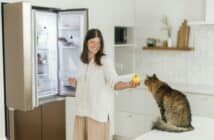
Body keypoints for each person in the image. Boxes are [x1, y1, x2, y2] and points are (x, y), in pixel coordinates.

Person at [68, 28, 140, 140]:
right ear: (86, 42)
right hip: (81, 111)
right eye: (92, 41)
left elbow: (114, 82)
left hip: (97, 114)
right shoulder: (82, 61)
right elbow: (87, 83)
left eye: (98, 42)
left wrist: (128, 84)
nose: (95, 45)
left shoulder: (105, 61)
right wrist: (76, 83)